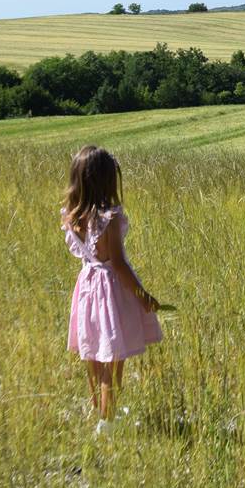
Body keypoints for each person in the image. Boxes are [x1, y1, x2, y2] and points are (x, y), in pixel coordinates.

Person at [61, 144, 162, 435]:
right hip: (110, 291)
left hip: (87, 287)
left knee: (93, 353)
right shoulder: (110, 218)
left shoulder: (72, 217)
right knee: (113, 359)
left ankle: (101, 411)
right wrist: (144, 297)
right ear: (106, 180)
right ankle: (109, 422)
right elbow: (118, 264)